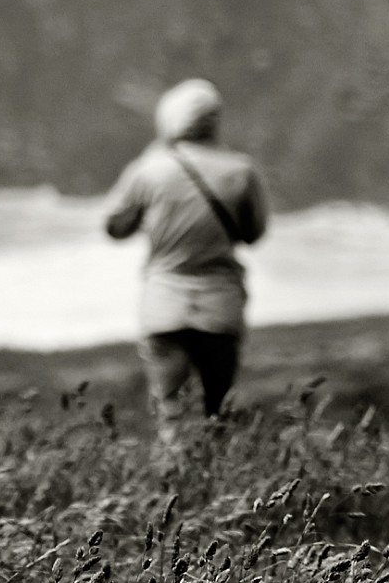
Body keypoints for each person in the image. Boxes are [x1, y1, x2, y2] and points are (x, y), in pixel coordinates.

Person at [104, 78, 270, 445]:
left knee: (170, 411)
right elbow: (254, 233)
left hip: (163, 303)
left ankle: (173, 473)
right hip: (221, 304)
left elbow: (114, 227)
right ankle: (214, 473)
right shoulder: (241, 171)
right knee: (217, 411)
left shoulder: (149, 169)